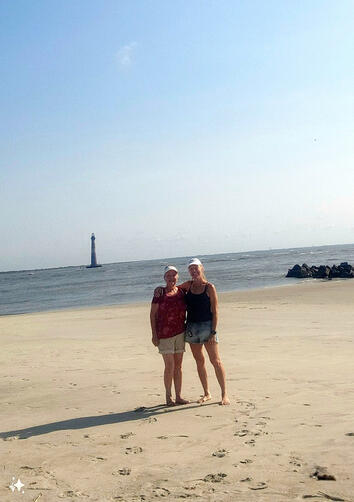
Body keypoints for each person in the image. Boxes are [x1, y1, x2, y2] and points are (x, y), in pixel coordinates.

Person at [182, 258, 230, 405]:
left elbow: (215, 311)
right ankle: (207, 393)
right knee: (199, 361)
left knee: (215, 361)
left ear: (202, 268)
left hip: (207, 327)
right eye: (191, 269)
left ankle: (224, 395)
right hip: (191, 328)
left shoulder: (209, 287)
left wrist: (213, 332)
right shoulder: (188, 285)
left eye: (196, 268)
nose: (194, 271)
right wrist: (160, 289)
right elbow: (172, 289)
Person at [150, 265, 190, 406]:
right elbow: (153, 314)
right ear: (164, 278)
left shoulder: (181, 292)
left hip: (180, 332)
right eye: (168, 275)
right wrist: (154, 335)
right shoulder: (159, 294)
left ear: (177, 277)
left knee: (178, 366)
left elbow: (197, 283)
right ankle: (168, 397)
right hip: (164, 334)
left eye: (174, 275)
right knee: (169, 365)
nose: (171, 278)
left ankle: (178, 396)